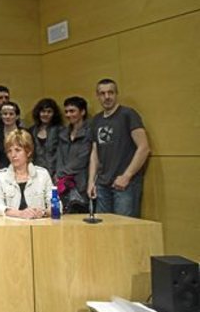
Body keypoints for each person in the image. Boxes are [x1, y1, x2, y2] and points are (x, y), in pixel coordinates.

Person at [88, 79, 150, 218]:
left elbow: (144, 148)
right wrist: (91, 181)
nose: (107, 97)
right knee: (103, 226)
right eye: (102, 93)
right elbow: (95, 153)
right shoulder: (96, 120)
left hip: (125, 185)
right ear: (97, 96)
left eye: (110, 92)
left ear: (116, 94)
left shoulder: (128, 114)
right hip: (102, 184)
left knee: (125, 226)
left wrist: (127, 176)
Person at [0, 129, 53, 218]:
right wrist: (20, 214)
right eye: (9, 151)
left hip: (38, 224)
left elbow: (57, 206)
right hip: (11, 225)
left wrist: (44, 212)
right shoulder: (0, 176)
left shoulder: (42, 175)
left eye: (17, 150)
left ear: (28, 152)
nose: (13, 155)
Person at [55, 96, 92, 213]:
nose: (68, 114)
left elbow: (83, 158)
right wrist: (58, 174)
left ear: (82, 112)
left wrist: (62, 172)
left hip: (82, 183)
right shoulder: (63, 133)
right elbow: (59, 156)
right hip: (63, 184)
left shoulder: (89, 132)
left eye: (72, 111)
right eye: (66, 111)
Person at [29, 98, 62, 177]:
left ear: (54, 114)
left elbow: (62, 154)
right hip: (35, 172)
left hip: (54, 173)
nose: (46, 114)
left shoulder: (61, 131)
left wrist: (58, 172)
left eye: (49, 112)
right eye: (43, 111)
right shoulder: (31, 131)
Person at [0, 101, 22, 171]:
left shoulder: (24, 134)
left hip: (22, 169)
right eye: (5, 114)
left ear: (17, 116)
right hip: (1, 171)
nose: (7, 116)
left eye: (11, 114)